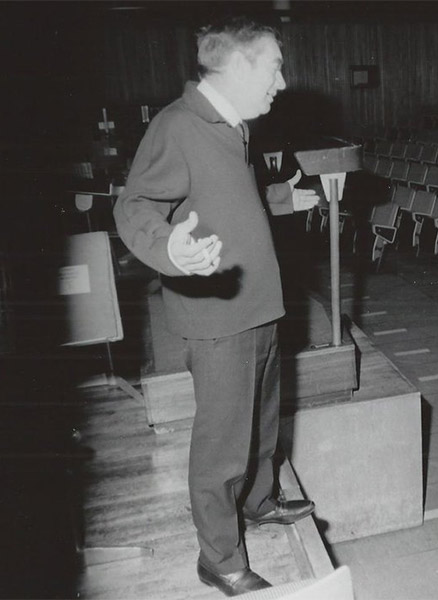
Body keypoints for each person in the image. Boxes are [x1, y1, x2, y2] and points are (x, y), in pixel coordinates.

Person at [113, 17, 319, 597]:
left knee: (261, 423)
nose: (282, 80)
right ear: (237, 65)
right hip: (217, 315)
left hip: (259, 304)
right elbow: (135, 206)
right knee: (222, 443)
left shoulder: (234, 125)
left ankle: (257, 502)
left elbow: (233, 194)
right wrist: (169, 249)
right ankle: (219, 558)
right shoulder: (179, 126)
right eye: (274, 65)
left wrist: (282, 197)